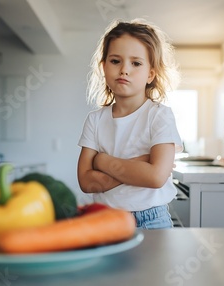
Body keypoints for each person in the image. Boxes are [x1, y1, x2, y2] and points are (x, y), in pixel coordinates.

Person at [77, 19, 183, 229]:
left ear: (150, 74)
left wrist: (103, 162)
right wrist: (142, 162)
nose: (124, 69)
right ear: (104, 67)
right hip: (106, 220)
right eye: (115, 61)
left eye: (136, 63)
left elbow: (155, 178)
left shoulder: (160, 116)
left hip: (152, 220)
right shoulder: (95, 120)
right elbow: (86, 183)